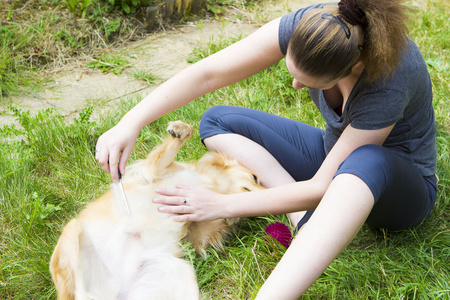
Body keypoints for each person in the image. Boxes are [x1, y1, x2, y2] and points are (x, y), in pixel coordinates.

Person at [95, 0, 437, 297]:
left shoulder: (390, 80)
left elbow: (321, 187)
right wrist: (131, 122)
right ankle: (303, 218)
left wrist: (222, 203)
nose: (295, 85)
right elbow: (209, 74)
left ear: (355, 67)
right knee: (217, 121)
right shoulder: (316, 27)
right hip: (334, 154)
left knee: (366, 158)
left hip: (395, 190)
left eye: (308, 84)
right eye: (294, 72)